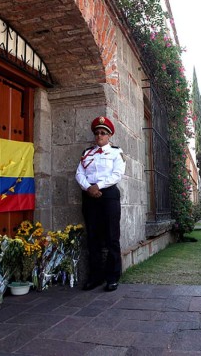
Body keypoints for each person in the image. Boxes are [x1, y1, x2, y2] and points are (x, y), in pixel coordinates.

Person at [75, 116, 126, 292]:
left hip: (108, 195)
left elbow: (117, 174)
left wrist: (98, 186)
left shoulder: (115, 153)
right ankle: (95, 276)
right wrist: (89, 187)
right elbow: (79, 174)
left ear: (109, 135)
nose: (99, 136)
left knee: (112, 236)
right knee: (93, 237)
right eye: (97, 133)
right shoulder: (87, 153)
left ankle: (112, 276)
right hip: (90, 196)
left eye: (103, 133)